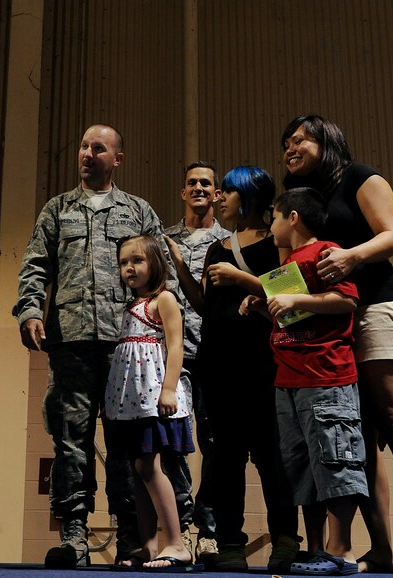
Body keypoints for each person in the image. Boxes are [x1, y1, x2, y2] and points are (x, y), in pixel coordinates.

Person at [280, 115, 393, 574]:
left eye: (299, 139)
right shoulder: (306, 203)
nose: (289, 148)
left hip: (376, 307)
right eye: (285, 143)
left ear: (327, 140)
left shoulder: (359, 176)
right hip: (332, 322)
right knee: (361, 432)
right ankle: (380, 548)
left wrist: (351, 256)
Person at [13, 124, 173, 569]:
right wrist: (29, 310)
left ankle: (130, 538)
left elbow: (165, 277)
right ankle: (75, 536)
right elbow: (34, 266)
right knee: (71, 440)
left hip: (128, 347)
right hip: (71, 342)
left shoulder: (138, 212)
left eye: (97, 148)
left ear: (117, 158)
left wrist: (168, 335)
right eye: (83, 146)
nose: (87, 154)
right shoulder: (57, 210)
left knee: (125, 444)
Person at [168, 166, 300, 571]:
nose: (219, 197)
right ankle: (229, 542)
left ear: (249, 197)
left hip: (264, 364)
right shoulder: (217, 248)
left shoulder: (276, 243)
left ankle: (285, 539)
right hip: (218, 363)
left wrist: (239, 277)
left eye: (228, 191)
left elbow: (292, 297)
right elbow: (207, 307)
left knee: (271, 456)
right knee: (224, 459)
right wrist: (179, 268)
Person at [241, 187, 366, 576]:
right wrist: (266, 308)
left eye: (274, 217)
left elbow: (346, 300)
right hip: (289, 380)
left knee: (335, 460)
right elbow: (292, 325)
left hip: (325, 376)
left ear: (293, 217)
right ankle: (315, 551)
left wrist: (298, 300)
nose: (270, 226)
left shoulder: (324, 251)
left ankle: (340, 552)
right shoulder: (288, 264)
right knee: (304, 470)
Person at [104, 235, 198, 571]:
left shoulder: (165, 300)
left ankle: (176, 542)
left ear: (155, 262)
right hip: (130, 401)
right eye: (124, 262)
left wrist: (169, 389)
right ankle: (149, 545)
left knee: (149, 466)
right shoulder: (131, 306)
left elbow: (175, 347)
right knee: (137, 469)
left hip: (152, 397)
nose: (129, 267)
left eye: (137, 260)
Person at [162, 161, 228, 562]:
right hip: (170, 354)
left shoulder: (230, 242)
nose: (199, 188)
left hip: (214, 352)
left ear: (217, 194)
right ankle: (184, 523)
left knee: (215, 442)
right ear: (183, 192)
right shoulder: (162, 239)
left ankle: (208, 527)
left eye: (206, 183)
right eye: (192, 183)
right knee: (173, 442)